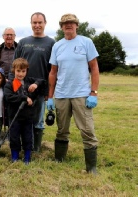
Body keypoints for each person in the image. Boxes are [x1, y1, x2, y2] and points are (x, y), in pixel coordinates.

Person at [47, 13, 99, 174]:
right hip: (62, 94)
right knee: (62, 129)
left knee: (87, 130)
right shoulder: (57, 46)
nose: (68, 25)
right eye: (65, 23)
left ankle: (91, 168)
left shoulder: (86, 42)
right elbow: (53, 72)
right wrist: (50, 96)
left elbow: (94, 68)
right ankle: (59, 160)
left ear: (77, 25)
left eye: (72, 23)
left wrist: (93, 92)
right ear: (61, 27)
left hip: (81, 94)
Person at [10, 12, 55, 153]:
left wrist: (49, 91)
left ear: (45, 23)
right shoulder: (23, 42)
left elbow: (53, 69)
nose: (37, 25)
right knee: (22, 118)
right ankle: (24, 145)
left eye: (40, 22)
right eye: (34, 23)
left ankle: (36, 148)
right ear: (31, 24)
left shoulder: (51, 43)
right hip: (22, 89)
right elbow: (15, 65)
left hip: (41, 89)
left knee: (38, 120)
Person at [4, 58, 46, 165]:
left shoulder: (29, 81)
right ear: (14, 70)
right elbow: (9, 97)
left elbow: (42, 81)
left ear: (27, 71)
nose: (21, 74)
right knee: (14, 137)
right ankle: (15, 156)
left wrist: (36, 84)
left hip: (28, 117)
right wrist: (24, 98)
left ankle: (27, 157)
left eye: (23, 71)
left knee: (28, 137)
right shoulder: (10, 84)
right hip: (14, 116)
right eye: (18, 71)